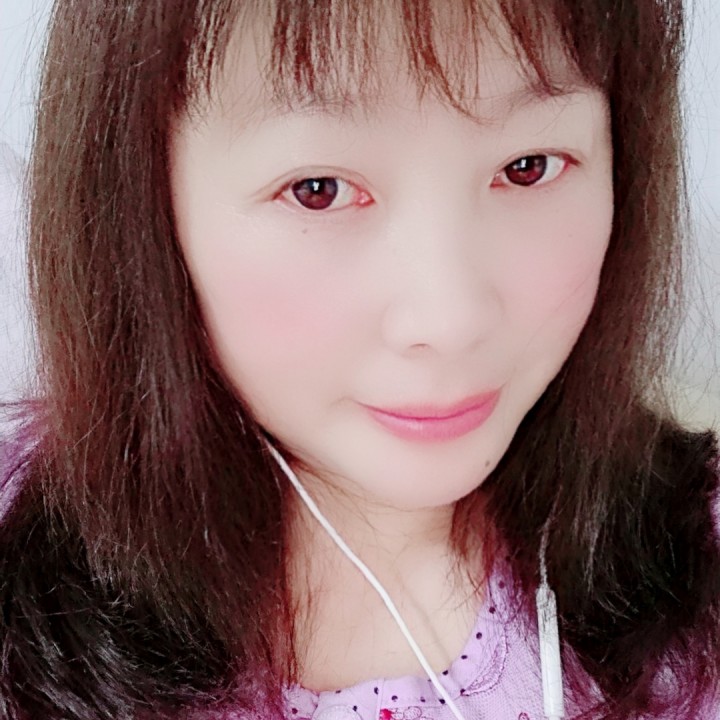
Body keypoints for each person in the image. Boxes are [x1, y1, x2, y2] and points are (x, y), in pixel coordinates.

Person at [1, 0, 718, 718]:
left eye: (528, 168)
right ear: (144, 202)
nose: (450, 321)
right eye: (318, 191)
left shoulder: (696, 563)